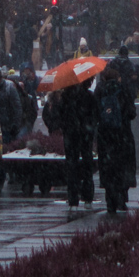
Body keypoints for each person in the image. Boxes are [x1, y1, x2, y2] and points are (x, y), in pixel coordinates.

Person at [94, 61, 139, 214]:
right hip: (123, 135)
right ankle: (121, 198)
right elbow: (132, 113)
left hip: (105, 136)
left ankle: (110, 201)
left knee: (108, 168)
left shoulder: (99, 90)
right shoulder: (124, 89)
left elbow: (95, 113)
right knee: (122, 166)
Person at [54, 77, 99, 209]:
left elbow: (59, 115)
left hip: (71, 135)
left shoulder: (65, 97)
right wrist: (89, 127)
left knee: (72, 166)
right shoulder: (89, 96)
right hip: (85, 135)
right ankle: (88, 197)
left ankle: (73, 199)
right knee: (87, 164)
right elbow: (95, 114)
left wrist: (66, 126)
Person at [0, 64, 24, 195]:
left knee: (0, 158)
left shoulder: (9, 88)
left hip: (6, 128)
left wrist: (15, 124)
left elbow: (17, 107)